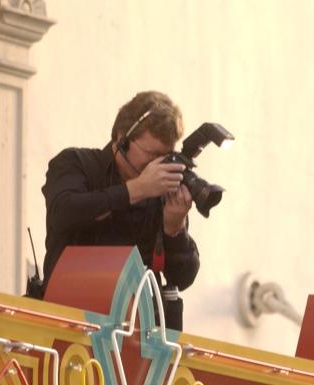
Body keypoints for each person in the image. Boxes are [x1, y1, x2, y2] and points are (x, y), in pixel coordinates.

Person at [37, 91, 199, 329]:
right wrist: (137, 189)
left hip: (140, 335)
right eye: (152, 154)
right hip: (70, 321)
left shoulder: (163, 191)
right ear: (122, 139)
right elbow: (64, 212)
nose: (159, 164)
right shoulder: (76, 163)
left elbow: (183, 277)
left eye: (166, 156)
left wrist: (174, 229)